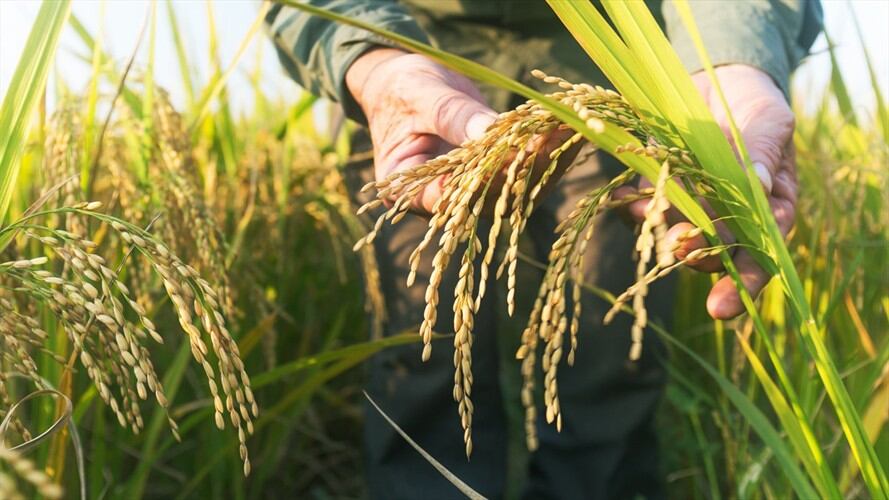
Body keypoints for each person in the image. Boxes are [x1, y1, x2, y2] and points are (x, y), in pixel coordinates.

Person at [265, 1, 822, 498]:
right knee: (423, 343)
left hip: (608, 54)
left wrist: (731, 64)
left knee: (608, 341)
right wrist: (374, 59)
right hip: (413, 45)